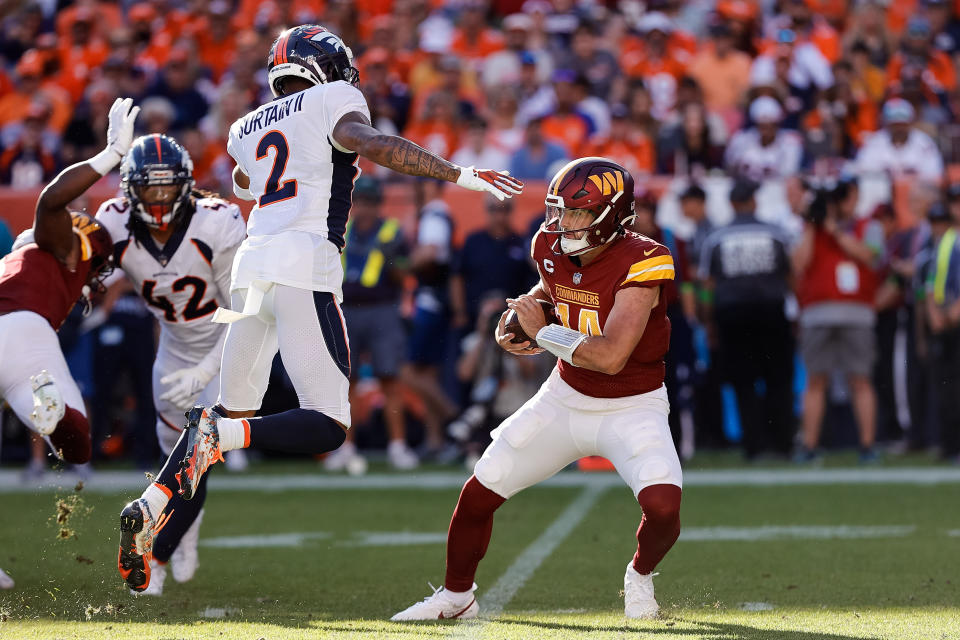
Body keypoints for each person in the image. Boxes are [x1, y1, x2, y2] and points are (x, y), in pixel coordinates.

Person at [117, 24, 523, 592]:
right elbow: (370, 143)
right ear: (323, 64)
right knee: (328, 423)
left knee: (227, 416)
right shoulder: (334, 98)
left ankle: (151, 499)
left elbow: (241, 176)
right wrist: (459, 173)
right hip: (303, 263)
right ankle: (215, 442)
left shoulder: (243, 124)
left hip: (253, 269)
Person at [391, 157, 682, 621]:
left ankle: (639, 575)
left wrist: (543, 333)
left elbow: (611, 355)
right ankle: (455, 597)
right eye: (558, 210)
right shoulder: (549, 243)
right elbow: (553, 289)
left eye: (576, 213)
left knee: (664, 508)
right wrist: (523, 314)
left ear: (611, 217)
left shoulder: (646, 258)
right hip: (566, 396)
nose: (561, 223)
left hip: (633, 402)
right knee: (480, 489)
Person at [103, 133, 247, 595]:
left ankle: (159, 556)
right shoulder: (114, 223)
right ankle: (186, 533)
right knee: (174, 459)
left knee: (195, 459)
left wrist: (206, 370)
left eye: (168, 188)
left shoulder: (216, 223)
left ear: (186, 186)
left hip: (228, 344)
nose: (160, 198)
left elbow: (242, 312)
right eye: (150, 188)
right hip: (172, 349)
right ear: (130, 190)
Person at [0, 98, 134, 470]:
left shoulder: (19, 259)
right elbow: (51, 200)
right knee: (75, 438)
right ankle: (49, 408)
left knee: (73, 443)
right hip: (24, 332)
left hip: (18, 332)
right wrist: (111, 155)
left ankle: (48, 410)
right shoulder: (63, 246)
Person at [327, 175, 418, 471]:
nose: (364, 209)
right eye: (360, 203)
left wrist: (394, 263)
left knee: (389, 378)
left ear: (379, 206)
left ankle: (397, 445)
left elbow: (403, 275)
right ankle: (346, 446)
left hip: (382, 308)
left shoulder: (391, 232)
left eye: (370, 203)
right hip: (347, 308)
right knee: (344, 382)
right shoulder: (343, 231)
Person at [699, 179, 795, 459]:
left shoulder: (716, 237)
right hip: (771, 312)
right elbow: (790, 277)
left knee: (744, 382)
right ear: (754, 201)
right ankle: (783, 443)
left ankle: (752, 446)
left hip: (732, 315)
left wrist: (708, 321)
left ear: (731, 204)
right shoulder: (775, 233)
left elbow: (707, 285)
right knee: (778, 380)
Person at [793, 175, 883, 463]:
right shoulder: (811, 228)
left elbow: (869, 255)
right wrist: (813, 223)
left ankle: (868, 445)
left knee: (860, 379)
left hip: (857, 312)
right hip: (817, 313)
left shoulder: (869, 226)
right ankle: (809, 446)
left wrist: (833, 229)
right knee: (816, 380)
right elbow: (798, 264)